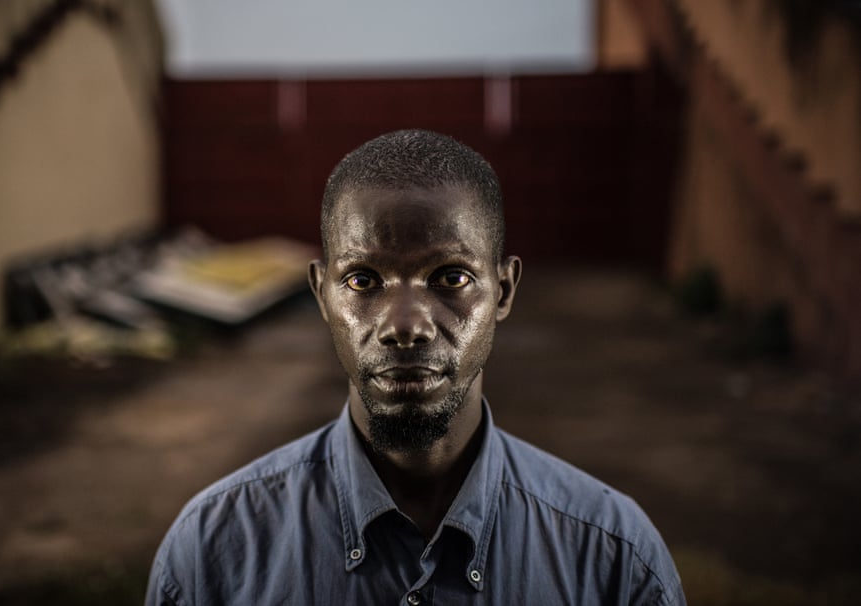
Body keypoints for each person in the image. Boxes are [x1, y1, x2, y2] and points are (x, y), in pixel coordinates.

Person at [146, 130, 686, 605]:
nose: (405, 325)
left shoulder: (614, 557)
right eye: (363, 280)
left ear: (504, 290)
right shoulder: (210, 551)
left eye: (451, 277)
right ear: (321, 294)